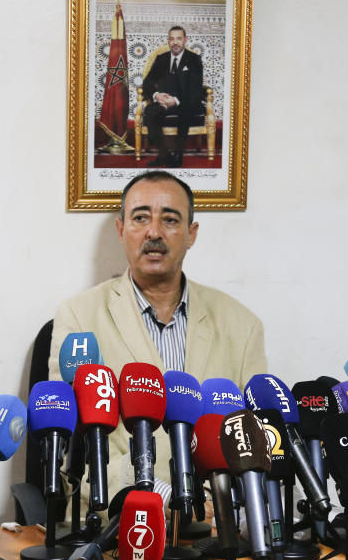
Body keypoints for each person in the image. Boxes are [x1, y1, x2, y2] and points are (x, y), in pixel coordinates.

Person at [48, 170, 267, 498]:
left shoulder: (242, 325)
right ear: (121, 230)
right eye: (140, 218)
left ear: (191, 234)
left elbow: (257, 442)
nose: (153, 232)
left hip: (216, 518)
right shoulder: (79, 316)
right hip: (118, 516)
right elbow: (69, 450)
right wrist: (159, 494)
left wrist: (221, 504)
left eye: (170, 220)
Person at [141, 26, 204, 168]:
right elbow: (148, 82)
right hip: (164, 101)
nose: (175, 42)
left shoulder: (194, 60)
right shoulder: (161, 59)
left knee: (186, 110)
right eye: (172, 39)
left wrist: (175, 101)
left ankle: (178, 154)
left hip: (186, 101)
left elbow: (195, 88)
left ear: (185, 40)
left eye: (179, 39)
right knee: (150, 112)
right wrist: (157, 96)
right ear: (168, 41)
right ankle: (164, 155)